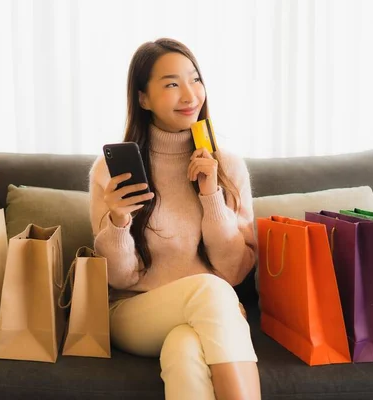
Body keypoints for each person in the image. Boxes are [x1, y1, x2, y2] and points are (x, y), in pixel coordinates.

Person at [89, 38, 261, 399]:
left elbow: (234, 272)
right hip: (134, 311)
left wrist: (211, 196)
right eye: (171, 84)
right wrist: (118, 221)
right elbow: (120, 277)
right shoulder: (111, 171)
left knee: (184, 351)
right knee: (212, 290)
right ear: (143, 99)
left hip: (210, 311)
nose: (189, 95)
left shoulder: (227, 167)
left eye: (195, 80)